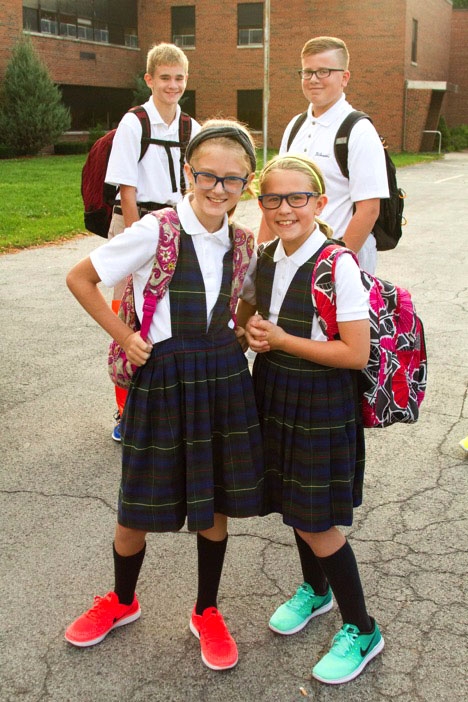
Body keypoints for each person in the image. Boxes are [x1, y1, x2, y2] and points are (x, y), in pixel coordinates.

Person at [64, 120, 264, 672]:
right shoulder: (158, 230)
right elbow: (80, 277)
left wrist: (242, 329)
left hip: (223, 375)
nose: (218, 188)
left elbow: (244, 300)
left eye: (232, 179)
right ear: (188, 173)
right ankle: (123, 600)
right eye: (207, 175)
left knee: (214, 502)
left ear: (247, 183)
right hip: (164, 375)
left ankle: (206, 609)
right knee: (137, 505)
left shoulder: (245, 243)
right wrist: (125, 336)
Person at [242, 154, 384, 685]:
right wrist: (251, 335)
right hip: (274, 390)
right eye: (273, 198)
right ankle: (316, 591)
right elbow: (251, 323)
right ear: (262, 204)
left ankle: (363, 628)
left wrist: (280, 340)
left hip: (321, 398)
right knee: (291, 501)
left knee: (317, 519)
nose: (285, 208)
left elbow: (355, 354)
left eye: (297, 197)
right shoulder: (265, 258)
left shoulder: (336, 264)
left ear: (320, 203)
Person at [106, 41, 200, 442]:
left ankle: (165, 404)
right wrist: (134, 245)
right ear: (150, 79)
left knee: (167, 316)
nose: (172, 85)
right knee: (129, 318)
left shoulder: (188, 127)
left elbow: (197, 183)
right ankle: (125, 410)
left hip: (175, 226)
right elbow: (127, 188)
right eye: (165, 77)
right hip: (138, 224)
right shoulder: (135, 122)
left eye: (179, 78)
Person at [258, 36, 388, 276]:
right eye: (307, 72)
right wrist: (260, 259)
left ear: (344, 77)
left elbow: (369, 210)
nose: (314, 79)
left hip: (341, 257)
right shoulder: (296, 126)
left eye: (324, 71)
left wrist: (333, 267)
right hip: (295, 258)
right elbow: (273, 198)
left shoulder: (358, 130)